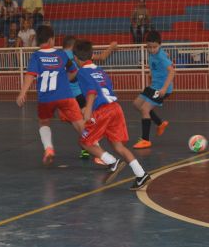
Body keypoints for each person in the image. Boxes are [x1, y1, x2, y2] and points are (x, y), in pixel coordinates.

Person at [73, 40, 151, 190]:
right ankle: (141, 174)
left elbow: (92, 91)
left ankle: (112, 162)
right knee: (118, 145)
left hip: (102, 111)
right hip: (115, 108)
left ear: (76, 58)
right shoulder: (100, 70)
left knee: (84, 142)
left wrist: (88, 109)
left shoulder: (82, 71)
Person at [16, 25, 84, 165]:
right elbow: (73, 71)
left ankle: (48, 149)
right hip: (65, 95)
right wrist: (65, 79)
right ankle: (99, 152)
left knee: (44, 122)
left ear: (37, 41)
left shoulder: (36, 56)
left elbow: (30, 75)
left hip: (46, 98)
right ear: (52, 39)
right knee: (79, 122)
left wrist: (22, 93)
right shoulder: (62, 54)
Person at [62, 35, 118, 160]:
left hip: (69, 96)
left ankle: (93, 149)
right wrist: (111, 47)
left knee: (80, 122)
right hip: (82, 94)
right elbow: (102, 57)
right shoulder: (74, 57)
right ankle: (93, 148)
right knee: (86, 121)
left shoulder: (61, 56)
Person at [132, 30, 174, 149]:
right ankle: (160, 123)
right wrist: (152, 72)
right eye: (149, 47)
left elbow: (172, 71)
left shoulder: (161, 56)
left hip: (161, 88)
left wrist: (165, 88)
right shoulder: (153, 54)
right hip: (153, 85)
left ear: (160, 45)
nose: (151, 49)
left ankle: (145, 140)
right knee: (136, 104)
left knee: (145, 109)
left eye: (154, 47)